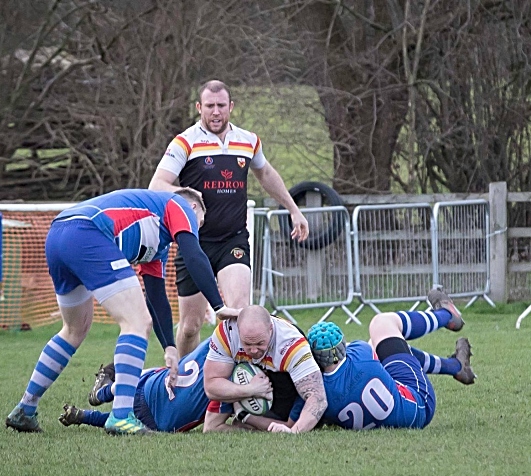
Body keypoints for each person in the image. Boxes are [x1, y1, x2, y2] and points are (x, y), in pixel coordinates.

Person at [5, 188, 239, 435]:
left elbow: (157, 296)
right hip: (87, 232)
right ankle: (121, 417)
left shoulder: (157, 243)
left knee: (74, 329)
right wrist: (218, 305)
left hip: (59, 234)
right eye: (198, 223)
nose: (195, 229)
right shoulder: (179, 204)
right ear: (193, 209)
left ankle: (25, 410)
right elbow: (194, 254)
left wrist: (170, 347)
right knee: (136, 323)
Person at [149, 79, 309, 357]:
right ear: (199, 107)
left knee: (239, 315)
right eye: (209, 106)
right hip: (193, 242)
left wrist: (293, 209)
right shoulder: (185, 142)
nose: (215, 112)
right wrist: (187, 193)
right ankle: (184, 382)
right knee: (190, 326)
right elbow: (157, 186)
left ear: (231, 107)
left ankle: (233, 379)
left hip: (233, 239)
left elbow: (266, 174)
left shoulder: (248, 140)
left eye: (221, 105)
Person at [268, 288, 476, 431]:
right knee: (381, 326)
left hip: (390, 411)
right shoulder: (360, 353)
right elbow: (372, 347)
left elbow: (292, 423)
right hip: (419, 403)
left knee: (390, 347)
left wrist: (246, 418)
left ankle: (455, 366)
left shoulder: (312, 396)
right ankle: (445, 315)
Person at [58, 340, 271, 433]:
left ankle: (102, 394)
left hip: (152, 385)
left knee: (136, 386)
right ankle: (89, 412)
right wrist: (248, 425)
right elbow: (213, 427)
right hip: (163, 422)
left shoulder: (216, 342)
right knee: (131, 420)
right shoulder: (225, 390)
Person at [204, 305, 327, 433]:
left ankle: (248, 418)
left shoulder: (291, 344)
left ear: (271, 329)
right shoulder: (227, 333)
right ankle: (244, 416)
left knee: (296, 421)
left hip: (286, 381)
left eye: (260, 343)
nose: (253, 350)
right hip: (254, 377)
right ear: (238, 330)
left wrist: (294, 432)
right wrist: (250, 390)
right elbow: (211, 386)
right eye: (247, 344)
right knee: (210, 427)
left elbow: (318, 398)